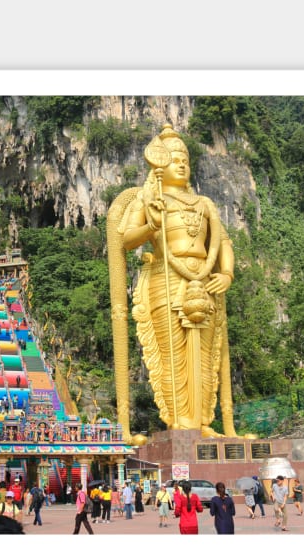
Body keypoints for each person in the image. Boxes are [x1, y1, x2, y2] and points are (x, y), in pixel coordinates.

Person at [109, 123, 236, 441]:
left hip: (205, 281)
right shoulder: (150, 199)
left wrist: (226, 274)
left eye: (186, 159)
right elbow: (125, 239)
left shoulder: (205, 204)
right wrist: (152, 223)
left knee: (206, 355)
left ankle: (204, 422)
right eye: (175, 158)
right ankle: (178, 421)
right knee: (172, 356)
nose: (181, 163)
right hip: (165, 279)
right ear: (159, 164)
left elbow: (224, 244)